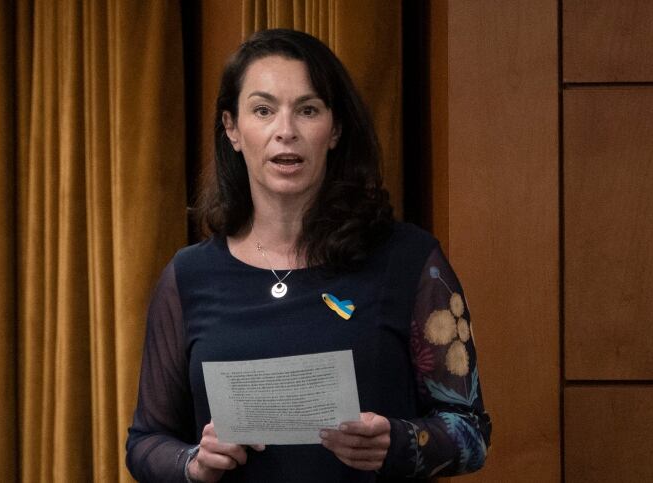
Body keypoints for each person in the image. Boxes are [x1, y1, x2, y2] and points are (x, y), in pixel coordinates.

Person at [126, 28, 491, 482]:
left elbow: (472, 433)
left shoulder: (411, 261)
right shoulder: (188, 276)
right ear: (233, 130)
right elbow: (144, 443)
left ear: (334, 129)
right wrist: (194, 463)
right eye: (263, 111)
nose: (286, 132)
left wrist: (397, 442)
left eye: (308, 110)